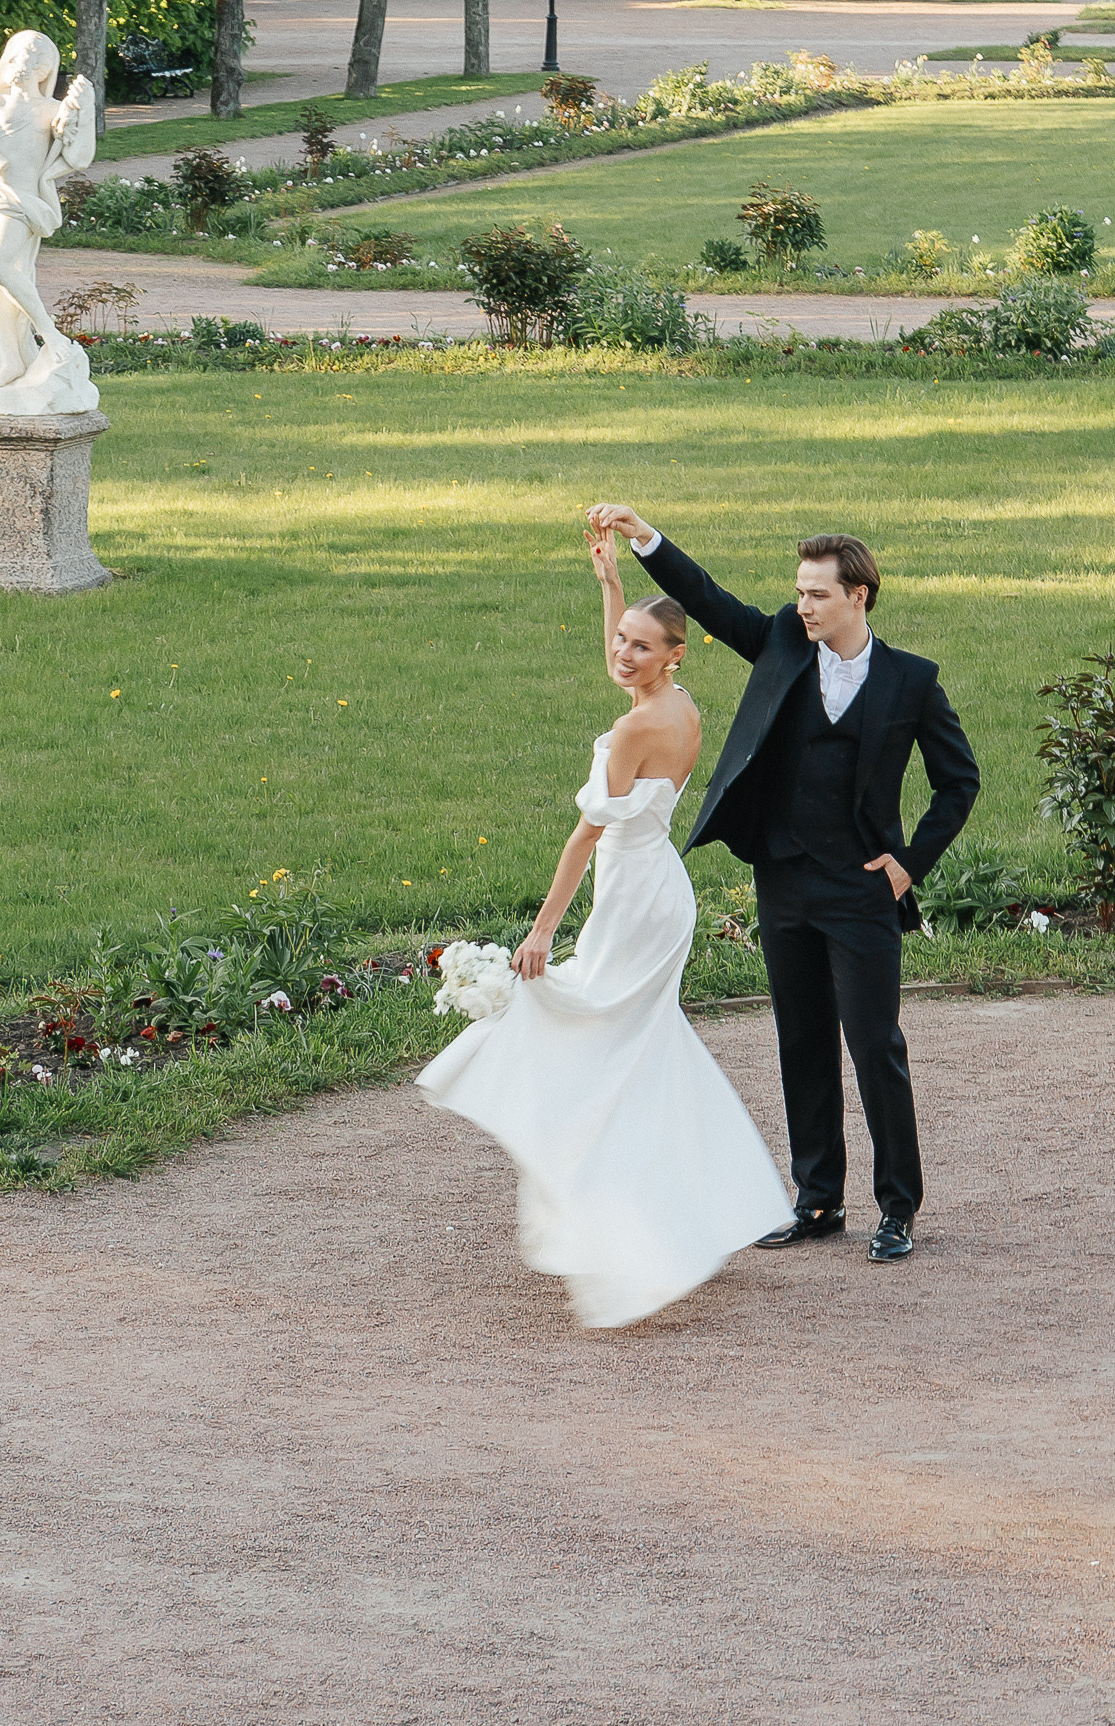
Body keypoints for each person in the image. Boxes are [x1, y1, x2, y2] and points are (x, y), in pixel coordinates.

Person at [414, 525, 788, 1329]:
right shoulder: (674, 706)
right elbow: (624, 673)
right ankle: (705, 1201)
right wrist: (612, 587)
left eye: (639, 646)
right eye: (621, 640)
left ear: (674, 656)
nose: (622, 653)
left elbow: (585, 837)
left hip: (633, 899)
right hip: (656, 889)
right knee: (641, 1047)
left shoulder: (634, 730)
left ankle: (625, 1210)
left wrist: (542, 932)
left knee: (591, 1035)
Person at [588, 508, 979, 1265]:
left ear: (858, 596)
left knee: (875, 1045)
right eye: (799, 592)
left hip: (862, 890)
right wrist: (644, 539)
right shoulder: (779, 643)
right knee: (801, 1040)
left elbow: (959, 781)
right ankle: (819, 1199)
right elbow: (706, 599)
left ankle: (897, 1207)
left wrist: (909, 863)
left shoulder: (911, 681)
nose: (803, 605)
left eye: (817, 594)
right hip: (785, 880)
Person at [0, 29, 98, 416]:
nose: (18, 65)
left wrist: (83, 111)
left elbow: (78, 155)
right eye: (13, 57)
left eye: (29, 60)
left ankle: (50, 335)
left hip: (22, 201)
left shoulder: (52, 111)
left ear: (45, 69)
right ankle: (10, 361)